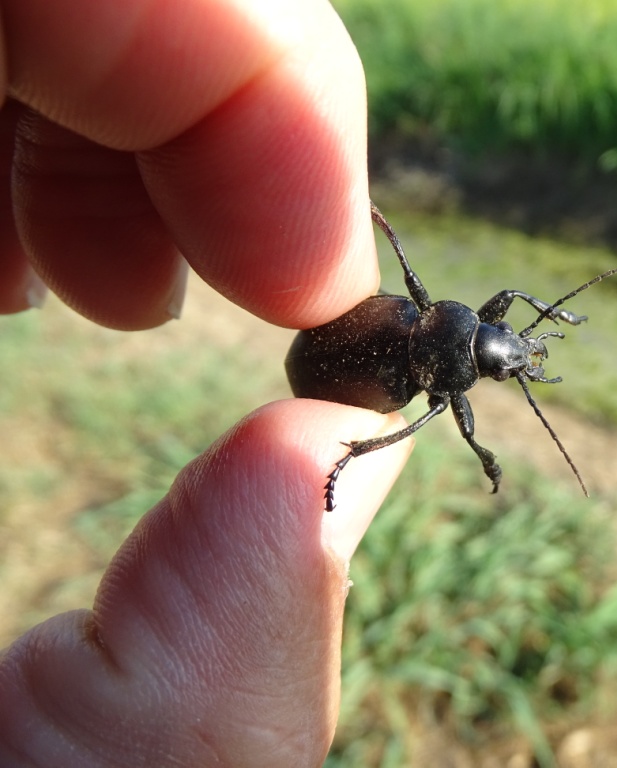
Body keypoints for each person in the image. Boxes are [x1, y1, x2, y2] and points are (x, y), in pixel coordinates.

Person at [0, 1, 411, 765]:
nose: (517, 354)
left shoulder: (437, 341)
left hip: (337, 368)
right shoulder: (431, 343)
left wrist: (383, 231)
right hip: (335, 367)